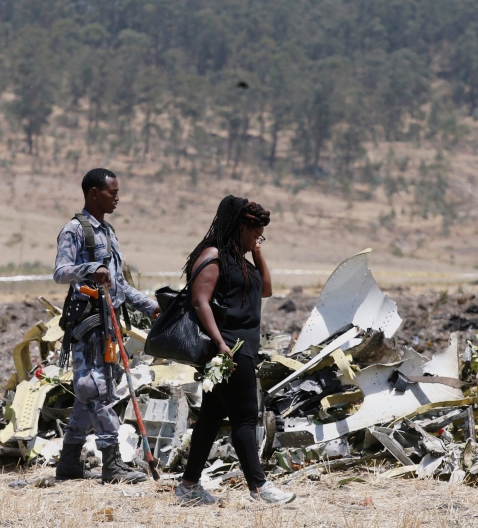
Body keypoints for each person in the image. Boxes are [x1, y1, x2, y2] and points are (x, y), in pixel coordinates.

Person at [175, 195, 296, 505]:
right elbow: (201, 301)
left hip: (242, 347)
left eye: (261, 236)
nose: (257, 239)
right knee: (244, 418)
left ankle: (188, 487)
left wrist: (257, 250)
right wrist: (219, 344)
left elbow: (266, 289)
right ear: (239, 226)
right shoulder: (214, 256)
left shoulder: (242, 259)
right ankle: (259, 488)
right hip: (229, 348)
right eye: (254, 233)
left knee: (211, 418)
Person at [53, 167, 160, 484]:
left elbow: (119, 286)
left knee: (90, 396)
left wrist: (150, 305)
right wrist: (90, 268)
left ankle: (69, 464)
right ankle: (112, 465)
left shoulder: (109, 232)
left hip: (110, 325)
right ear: (94, 193)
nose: (117, 197)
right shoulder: (75, 230)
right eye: (112, 192)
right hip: (89, 325)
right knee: (97, 392)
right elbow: (61, 272)